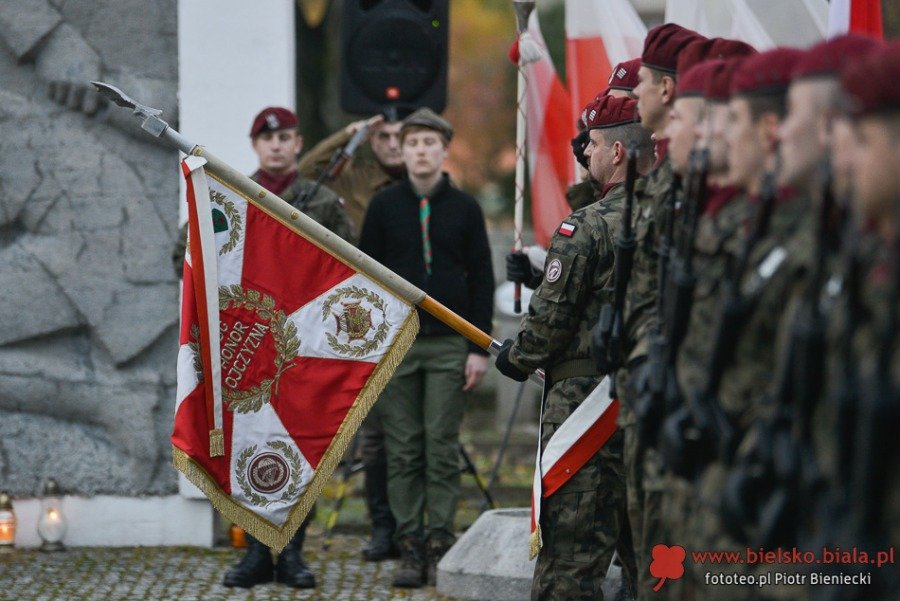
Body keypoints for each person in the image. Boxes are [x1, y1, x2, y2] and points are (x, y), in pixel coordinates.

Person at [496, 94, 652, 601]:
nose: (586, 154)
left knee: (572, 560)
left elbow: (550, 322)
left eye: (595, 146)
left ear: (617, 154)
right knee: (653, 560)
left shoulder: (585, 225)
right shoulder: (674, 219)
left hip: (589, 404)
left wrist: (516, 358)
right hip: (656, 403)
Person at [358, 107, 495, 588]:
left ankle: (440, 540)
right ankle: (409, 543)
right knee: (404, 449)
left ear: (443, 149)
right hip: (398, 344)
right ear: (403, 149)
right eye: (412, 143)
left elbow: (481, 277)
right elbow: (366, 277)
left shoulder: (465, 209)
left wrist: (479, 346)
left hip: (449, 347)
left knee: (440, 447)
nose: (419, 151)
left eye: (428, 143)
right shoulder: (383, 207)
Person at [221, 106, 355, 589]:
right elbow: (187, 252)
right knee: (248, 447)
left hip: (303, 349)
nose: (277, 145)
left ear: (299, 144)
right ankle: (257, 551)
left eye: (287, 138)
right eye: (268, 138)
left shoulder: (321, 203)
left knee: (301, 448)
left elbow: (352, 265)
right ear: (255, 145)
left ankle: (292, 552)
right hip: (248, 347)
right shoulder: (231, 195)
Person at [299, 111, 409, 561]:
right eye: (382, 136)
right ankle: (384, 528)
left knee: (413, 435)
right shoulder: (356, 180)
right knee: (378, 435)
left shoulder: (428, 182)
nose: (392, 144)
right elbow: (304, 176)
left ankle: (417, 529)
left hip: (416, 315)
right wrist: (349, 133)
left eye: (401, 136)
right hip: (366, 318)